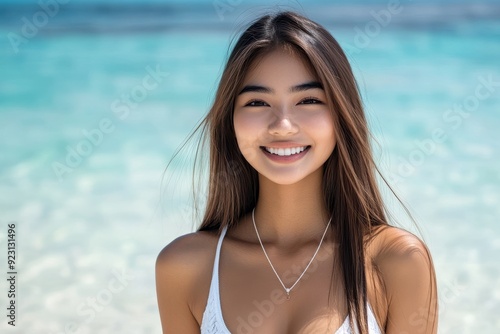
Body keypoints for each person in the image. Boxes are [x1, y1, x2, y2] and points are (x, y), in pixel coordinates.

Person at [156, 11, 437, 334]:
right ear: (230, 120)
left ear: (341, 114)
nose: (282, 126)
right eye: (257, 103)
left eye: (308, 99)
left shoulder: (397, 261)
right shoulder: (184, 267)